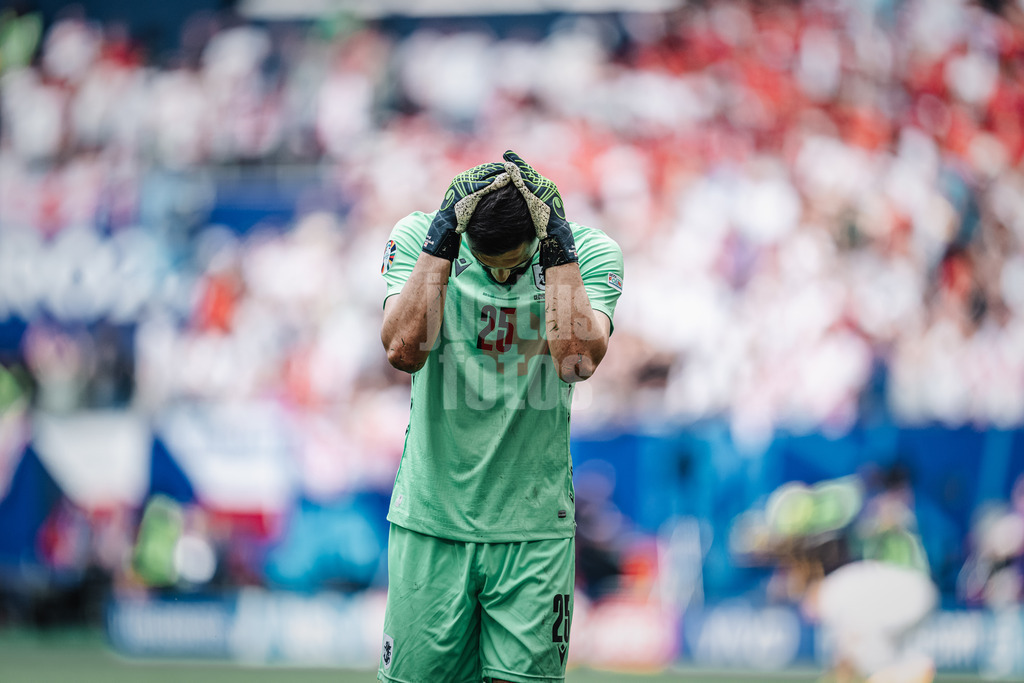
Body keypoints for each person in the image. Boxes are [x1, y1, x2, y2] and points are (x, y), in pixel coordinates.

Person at [377, 150, 624, 683]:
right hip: (431, 521)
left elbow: (576, 359)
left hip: (533, 530)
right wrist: (442, 239)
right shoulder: (422, 236)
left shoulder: (589, 252)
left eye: (513, 260)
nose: (501, 272)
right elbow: (403, 350)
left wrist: (558, 252)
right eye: (488, 262)